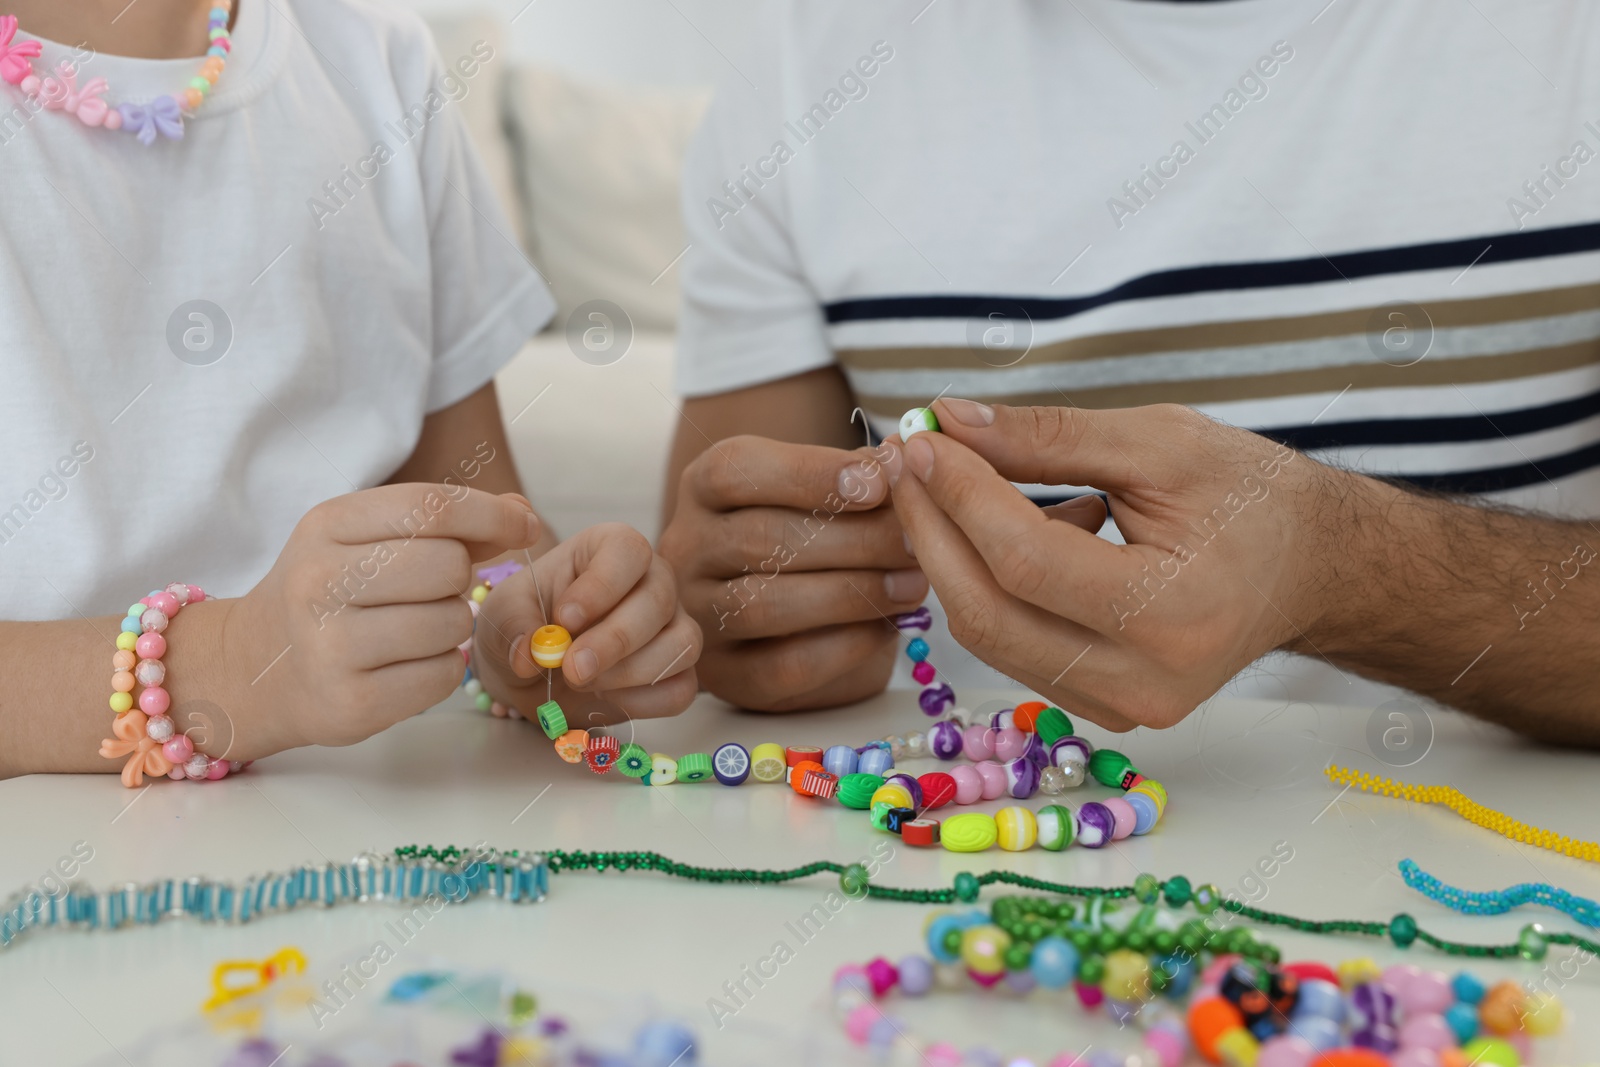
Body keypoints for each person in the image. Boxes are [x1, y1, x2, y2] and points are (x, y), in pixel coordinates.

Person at [658, 0, 1600, 744]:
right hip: (963, 850)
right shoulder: (802, 59)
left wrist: (1333, 572)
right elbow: (724, 593)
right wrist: (741, 621)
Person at [0, 0, 700, 780]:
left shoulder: (381, 65)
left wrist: (529, 636)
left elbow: (483, 525)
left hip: (382, 824)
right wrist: (230, 666)